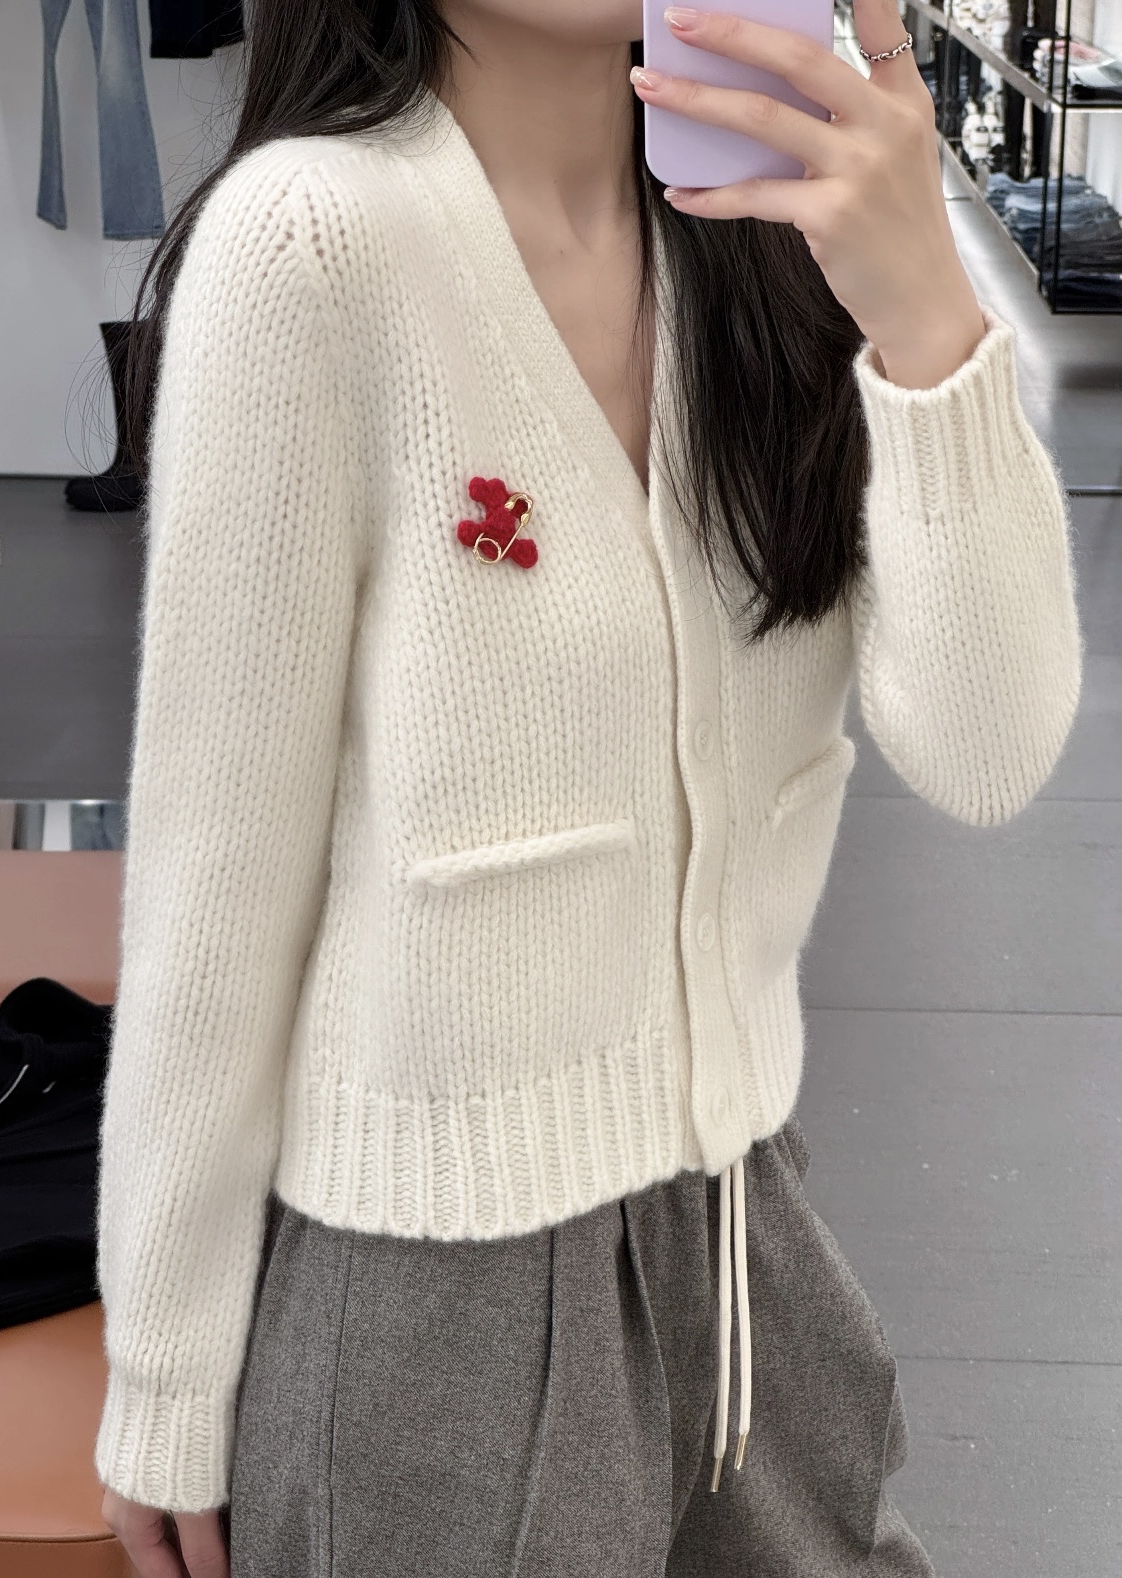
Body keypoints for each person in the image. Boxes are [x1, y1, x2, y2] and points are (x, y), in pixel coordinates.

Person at [92, 2, 1084, 1575]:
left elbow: (983, 749)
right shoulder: (314, 243)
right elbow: (217, 876)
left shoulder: (780, 239)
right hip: (433, 1302)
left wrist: (921, 310)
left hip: (744, 1245)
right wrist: (164, 1373)